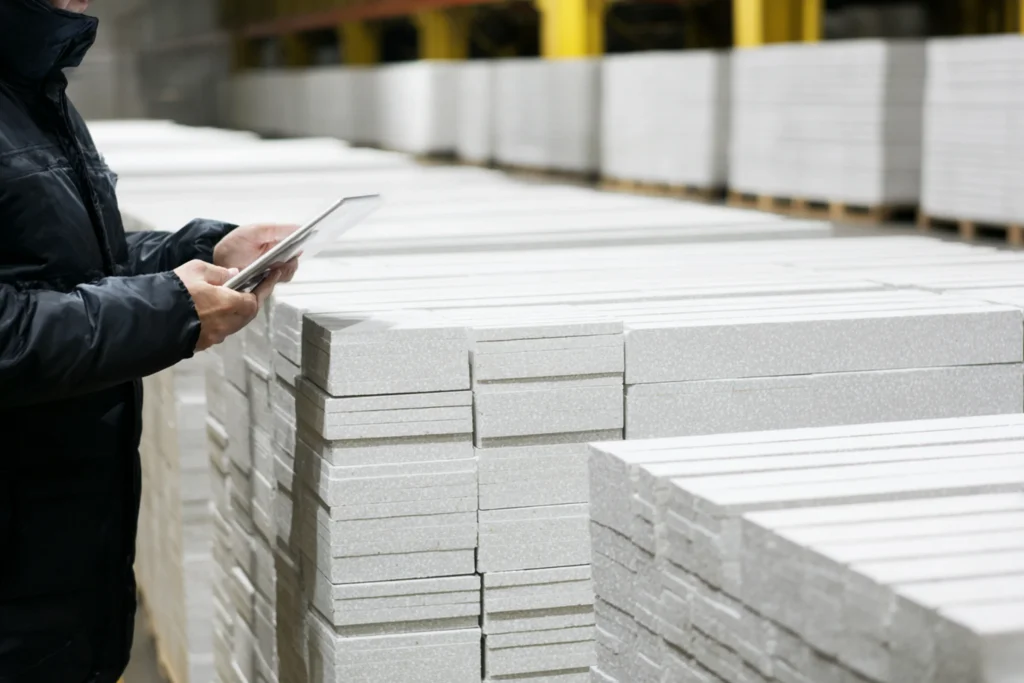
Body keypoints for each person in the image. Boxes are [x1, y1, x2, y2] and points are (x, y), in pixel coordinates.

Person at [0, 1, 299, 681]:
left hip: (66, 555)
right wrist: (169, 310)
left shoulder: (34, 89)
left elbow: (69, 267)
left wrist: (204, 249)